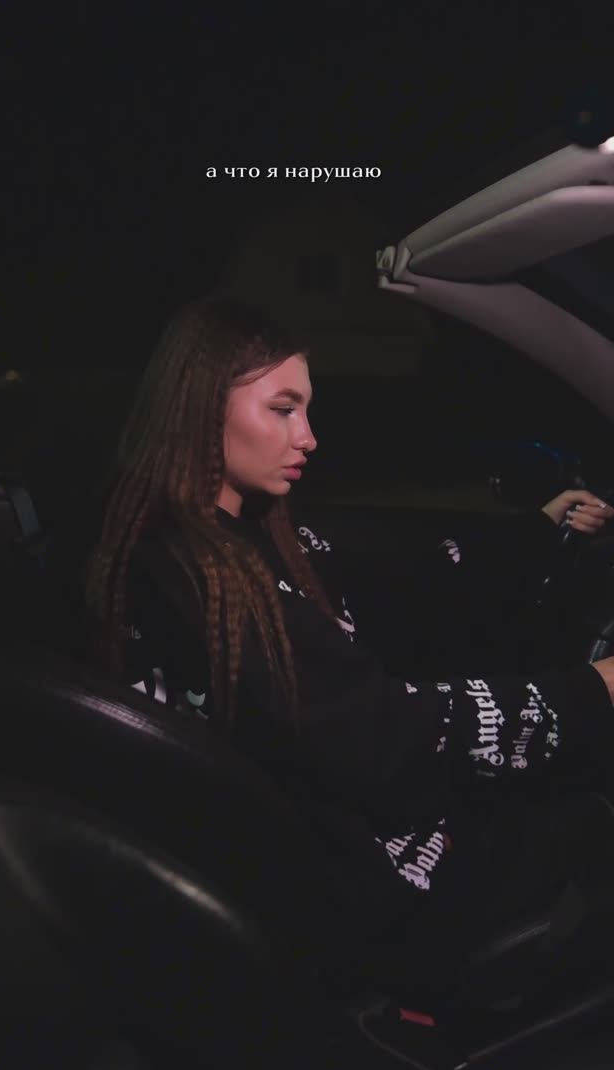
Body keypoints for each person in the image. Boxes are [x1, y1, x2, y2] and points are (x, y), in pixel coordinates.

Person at [86, 296, 614, 1002]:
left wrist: (536, 532)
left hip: (323, 857)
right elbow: (383, 737)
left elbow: (399, 570)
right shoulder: (202, 578)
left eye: (307, 411)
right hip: (366, 891)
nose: (308, 437)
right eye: (283, 409)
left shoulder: (218, 542)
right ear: (202, 405)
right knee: (593, 814)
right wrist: (595, 690)